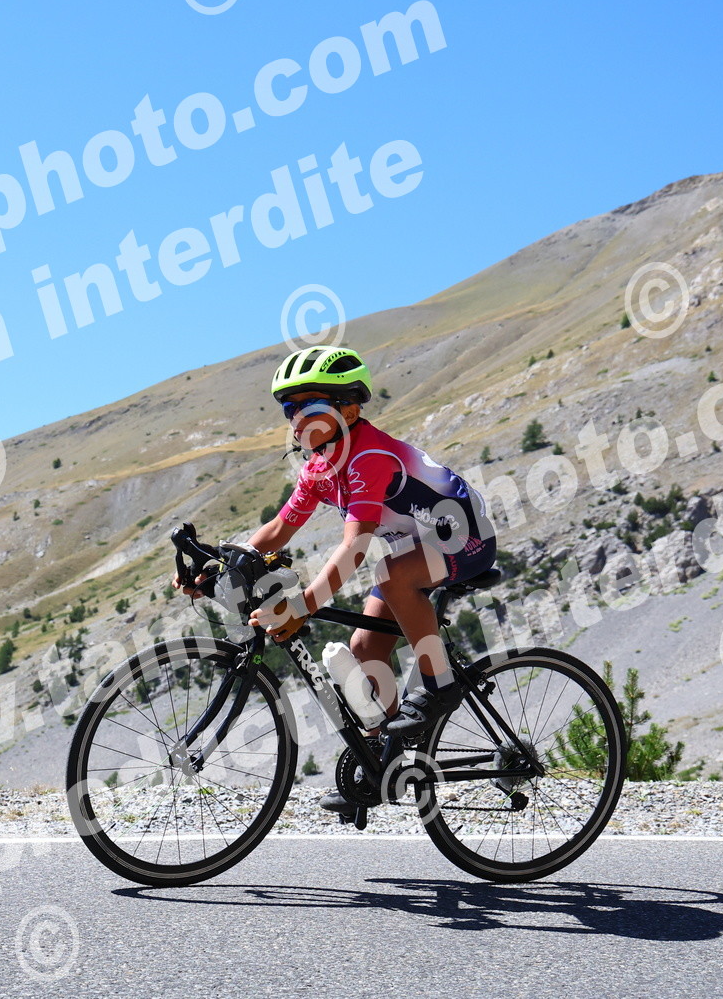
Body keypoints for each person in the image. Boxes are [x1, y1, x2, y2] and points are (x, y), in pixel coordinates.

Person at [173, 344, 496, 812]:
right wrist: (218, 568)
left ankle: (439, 684)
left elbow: (355, 545)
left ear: (348, 409)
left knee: (390, 573)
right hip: (414, 548)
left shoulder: (369, 457)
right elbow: (278, 530)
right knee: (364, 651)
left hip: (465, 539)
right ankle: (385, 765)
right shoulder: (319, 468)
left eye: (308, 405)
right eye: (289, 408)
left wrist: (304, 604)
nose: (296, 418)